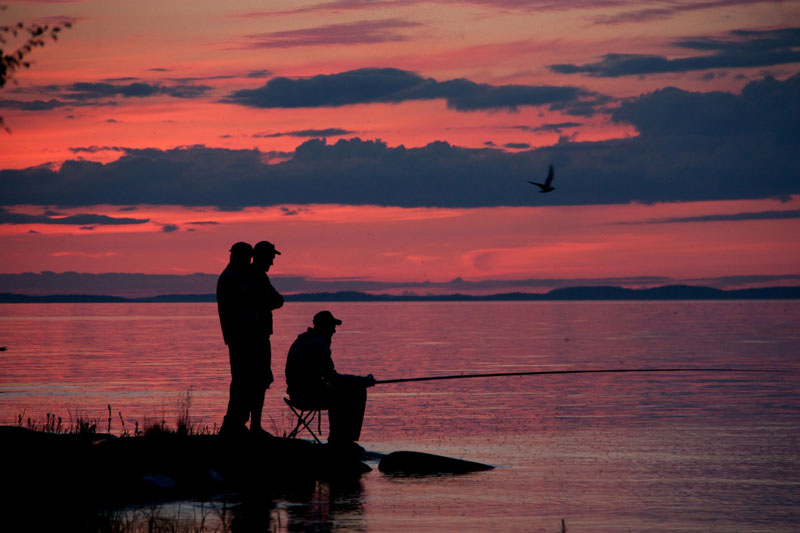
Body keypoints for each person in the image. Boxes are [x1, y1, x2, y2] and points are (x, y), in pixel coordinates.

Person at [285, 311, 375, 450]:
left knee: (343, 390)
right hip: (307, 396)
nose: (334, 331)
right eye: (332, 327)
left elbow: (326, 377)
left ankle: (339, 438)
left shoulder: (304, 340)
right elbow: (332, 378)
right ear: (325, 327)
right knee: (357, 392)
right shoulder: (318, 345)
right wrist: (362, 381)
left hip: (297, 394)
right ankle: (342, 440)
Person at [217, 241, 268, 437]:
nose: (250, 262)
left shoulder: (234, 276)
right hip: (241, 338)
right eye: (248, 257)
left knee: (244, 381)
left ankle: (237, 424)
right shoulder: (233, 278)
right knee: (242, 381)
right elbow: (245, 306)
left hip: (241, 337)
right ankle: (234, 425)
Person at [248, 240, 284, 429]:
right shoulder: (258, 276)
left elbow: (277, 299)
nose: (272, 262)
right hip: (257, 337)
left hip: (259, 336)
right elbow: (276, 300)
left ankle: (254, 424)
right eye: (270, 257)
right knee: (259, 380)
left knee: (259, 380)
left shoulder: (257, 275)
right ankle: (255, 426)